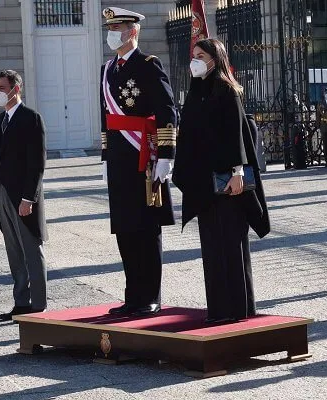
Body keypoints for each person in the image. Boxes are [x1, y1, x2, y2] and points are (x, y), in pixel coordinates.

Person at [172, 38, 270, 323]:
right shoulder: (195, 92)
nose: (195, 61)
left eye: (200, 56)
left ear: (215, 58)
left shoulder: (227, 91)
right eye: (194, 55)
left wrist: (238, 171)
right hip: (204, 184)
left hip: (228, 181)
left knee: (231, 244)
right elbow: (188, 135)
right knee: (212, 247)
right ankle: (218, 309)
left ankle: (239, 309)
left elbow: (236, 134)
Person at [99, 7, 177, 316]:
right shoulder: (107, 70)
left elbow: (168, 110)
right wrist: (105, 157)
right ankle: (133, 296)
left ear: (132, 31)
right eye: (109, 27)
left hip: (145, 156)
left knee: (146, 228)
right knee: (125, 227)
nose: (111, 32)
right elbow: (105, 119)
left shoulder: (148, 65)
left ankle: (150, 297)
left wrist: (167, 155)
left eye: (116, 27)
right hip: (119, 158)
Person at [0, 70, 48, 321]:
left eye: (2, 87)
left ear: (16, 89)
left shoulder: (31, 118)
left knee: (32, 249)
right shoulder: (0, 121)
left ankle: (39, 304)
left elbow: (37, 163)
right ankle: (21, 302)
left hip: (23, 197)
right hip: (2, 194)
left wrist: (28, 198)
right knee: (14, 251)